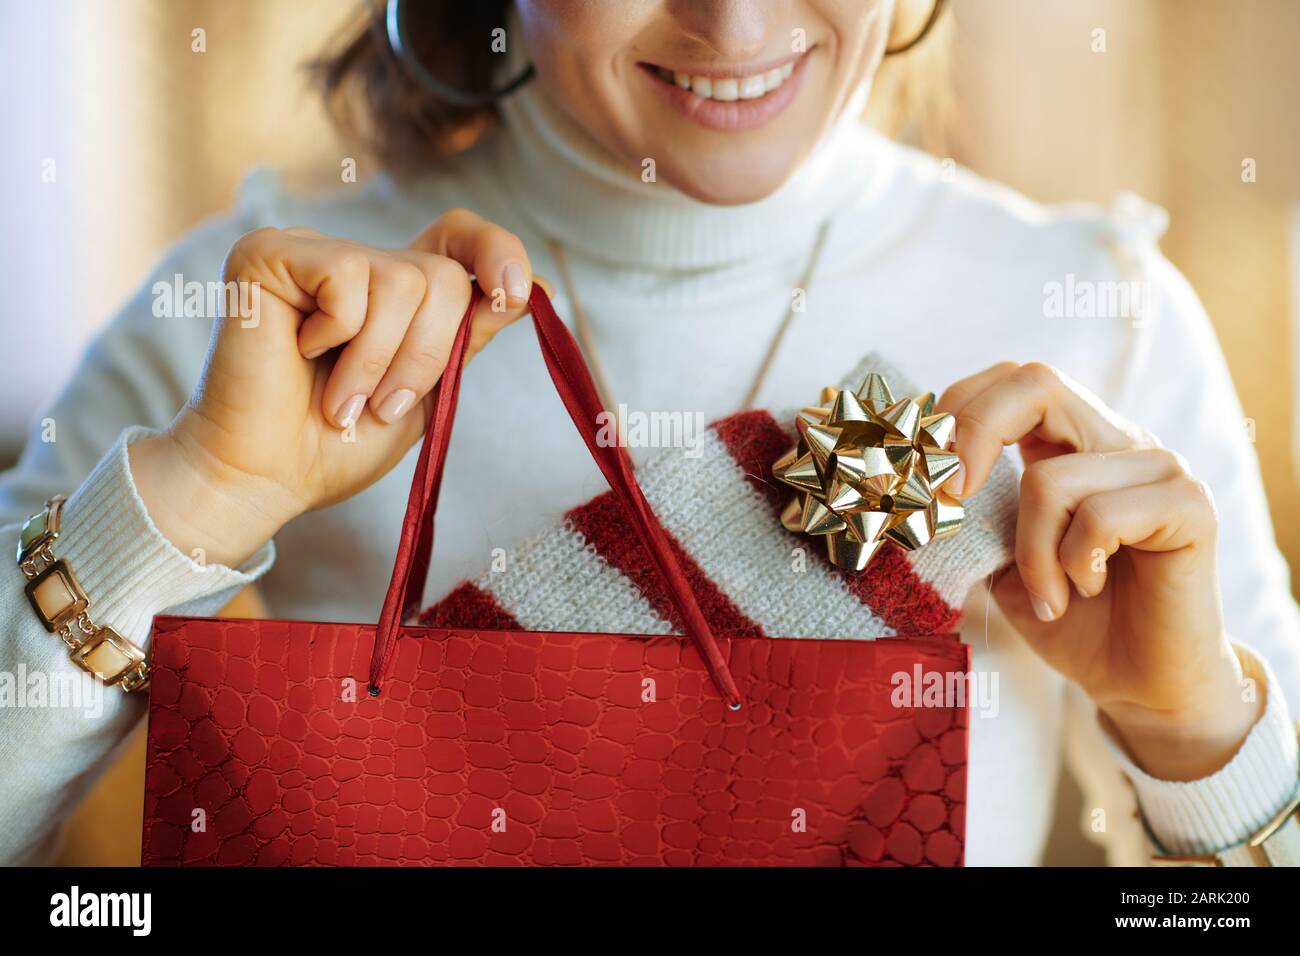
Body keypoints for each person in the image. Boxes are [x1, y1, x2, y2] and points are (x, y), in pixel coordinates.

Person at [2, 0, 1296, 866]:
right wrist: (194, 497)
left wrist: (1193, 728)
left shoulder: (1101, 313)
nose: (733, 20)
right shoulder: (256, 313)